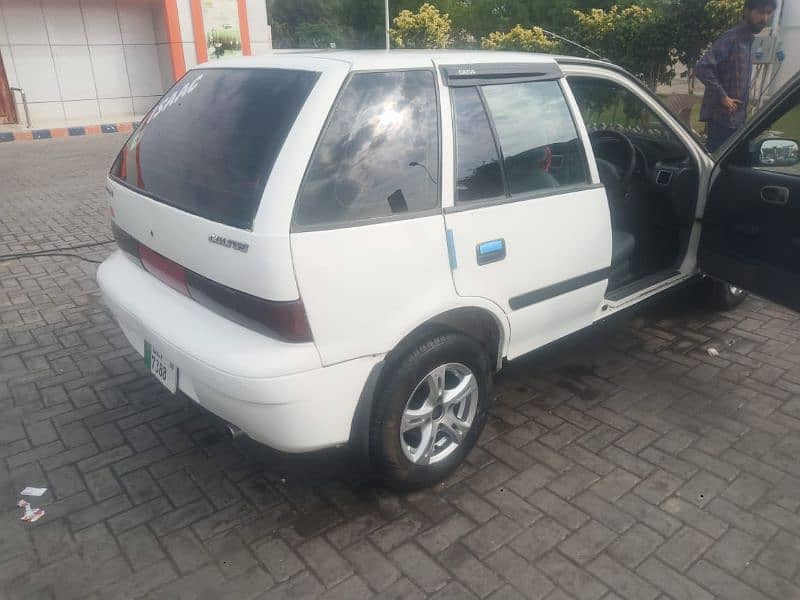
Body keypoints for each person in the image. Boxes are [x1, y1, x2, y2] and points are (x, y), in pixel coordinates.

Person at [695, 0, 777, 152]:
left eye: (768, 13)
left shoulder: (747, 41)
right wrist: (723, 96)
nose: (764, 19)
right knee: (719, 166)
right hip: (722, 121)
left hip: (737, 122)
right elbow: (702, 67)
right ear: (746, 11)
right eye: (760, 12)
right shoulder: (731, 38)